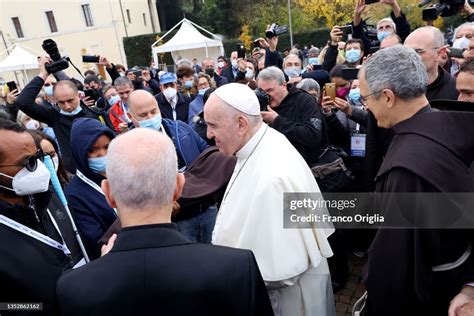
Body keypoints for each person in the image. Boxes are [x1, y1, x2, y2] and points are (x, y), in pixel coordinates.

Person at [56, 128, 273, 316]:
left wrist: (99, 271)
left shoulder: (73, 287)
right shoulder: (236, 267)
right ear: (178, 187)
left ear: (109, 193)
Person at [359, 45, 474, 315]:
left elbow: (394, 268)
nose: (366, 107)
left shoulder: (407, 169)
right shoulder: (449, 123)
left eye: (366, 99)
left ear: (387, 97)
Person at [204, 83, 335, 316]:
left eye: (213, 125)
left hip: (288, 302)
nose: (208, 134)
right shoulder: (262, 141)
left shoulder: (273, 177)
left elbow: (283, 270)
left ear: (241, 124)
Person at [0, 119, 82, 315]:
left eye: (37, 158)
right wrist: (47, 306)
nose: (38, 168)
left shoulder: (47, 197)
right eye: (28, 163)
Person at [14, 57, 106, 173]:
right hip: (75, 172)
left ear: (78, 95)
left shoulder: (96, 113)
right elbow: (22, 102)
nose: (67, 106)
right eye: (61, 102)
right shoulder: (54, 116)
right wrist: (43, 74)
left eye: (70, 100)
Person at [65, 118, 117, 260]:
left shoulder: (124, 173)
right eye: (93, 150)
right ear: (80, 152)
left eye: (107, 147)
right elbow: (97, 241)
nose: (102, 154)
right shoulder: (74, 195)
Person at [257, 67, 328, 166]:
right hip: (272, 166)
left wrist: (276, 121)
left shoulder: (305, 101)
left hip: (305, 167)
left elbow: (312, 136)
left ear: (283, 85)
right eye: (262, 92)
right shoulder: (260, 105)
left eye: (270, 90)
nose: (266, 95)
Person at [404, 26, 459, 101]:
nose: (409, 57)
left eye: (418, 51)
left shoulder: (458, 89)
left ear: (440, 53)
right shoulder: (394, 89)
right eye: (405, 52)